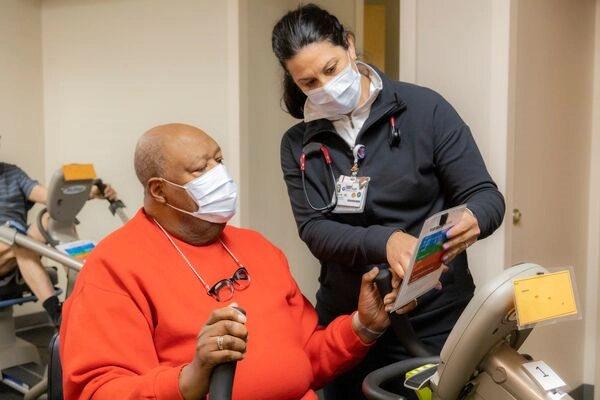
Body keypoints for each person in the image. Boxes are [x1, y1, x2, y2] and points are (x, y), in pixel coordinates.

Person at [59, 122, 399, 400]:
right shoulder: (112, 268)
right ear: (159, 191)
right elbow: (98, 391)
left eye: (218, 161)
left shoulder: (256, 247)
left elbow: (305, 357)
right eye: (200, 168)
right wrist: (189, 379)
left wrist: (362, 327)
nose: (218, 174)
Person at [271, 3, 506, 399]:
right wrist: (387, 241)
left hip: (435, 319)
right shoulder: (299, 143)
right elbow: (315, 230)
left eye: (330, 69)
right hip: (351, 324)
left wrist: (474, 218)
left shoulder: (425, 110)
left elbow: (485, 197)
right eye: (309, 82)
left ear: (349, 44)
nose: (325, 86)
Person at [0, 162, 117, 327]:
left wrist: (90, 193)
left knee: (55, 216)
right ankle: (70, 305)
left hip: (19, 244)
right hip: (9, 244)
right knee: (21, 243)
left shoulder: (12, 173)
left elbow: (52, 198)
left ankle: (71, 305)